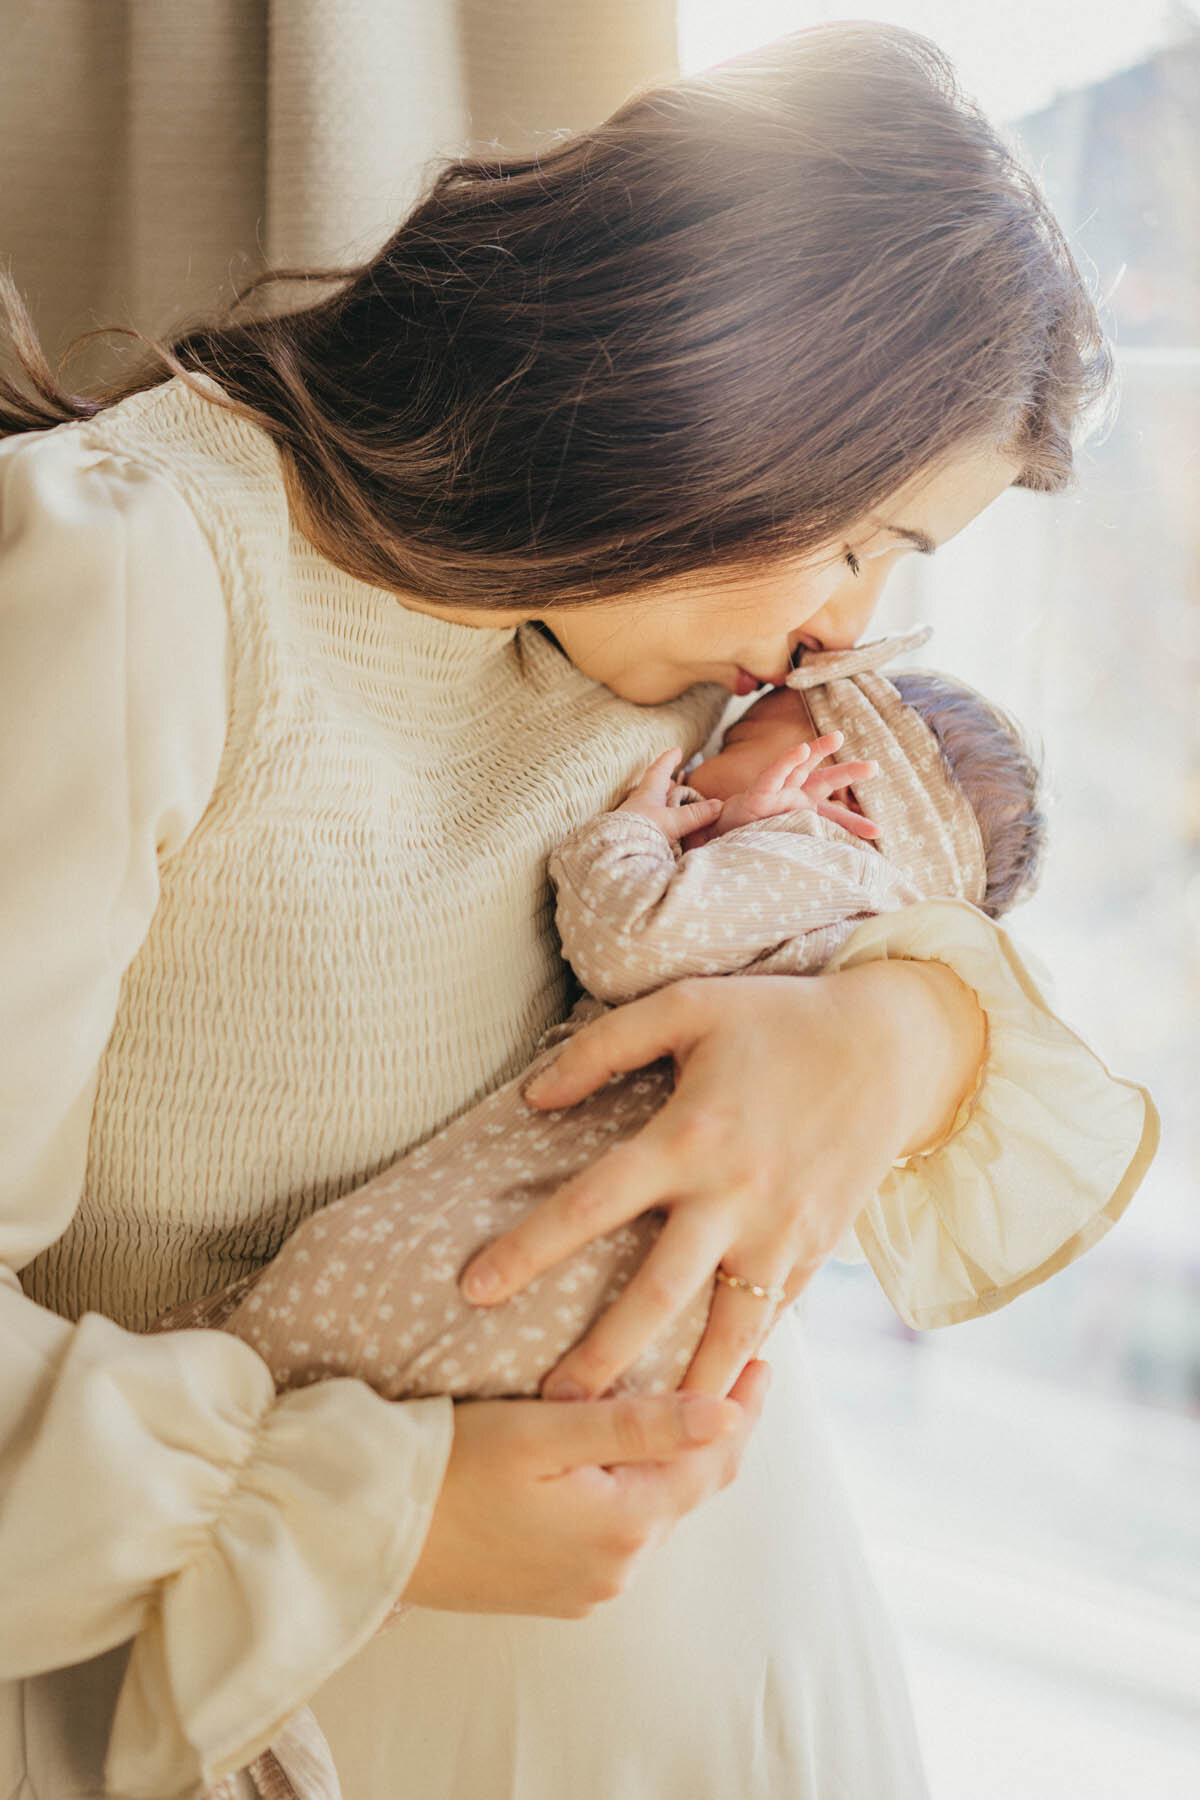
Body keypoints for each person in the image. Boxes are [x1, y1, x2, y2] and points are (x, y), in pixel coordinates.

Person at [0, 22, 1159, 1800]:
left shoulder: (673, 662)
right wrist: (372, 1509)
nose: (851, 629)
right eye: (858, 536)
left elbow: (936, 934)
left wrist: (896, 1032)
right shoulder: (136, 579)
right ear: (709, 387)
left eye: (899, 571)